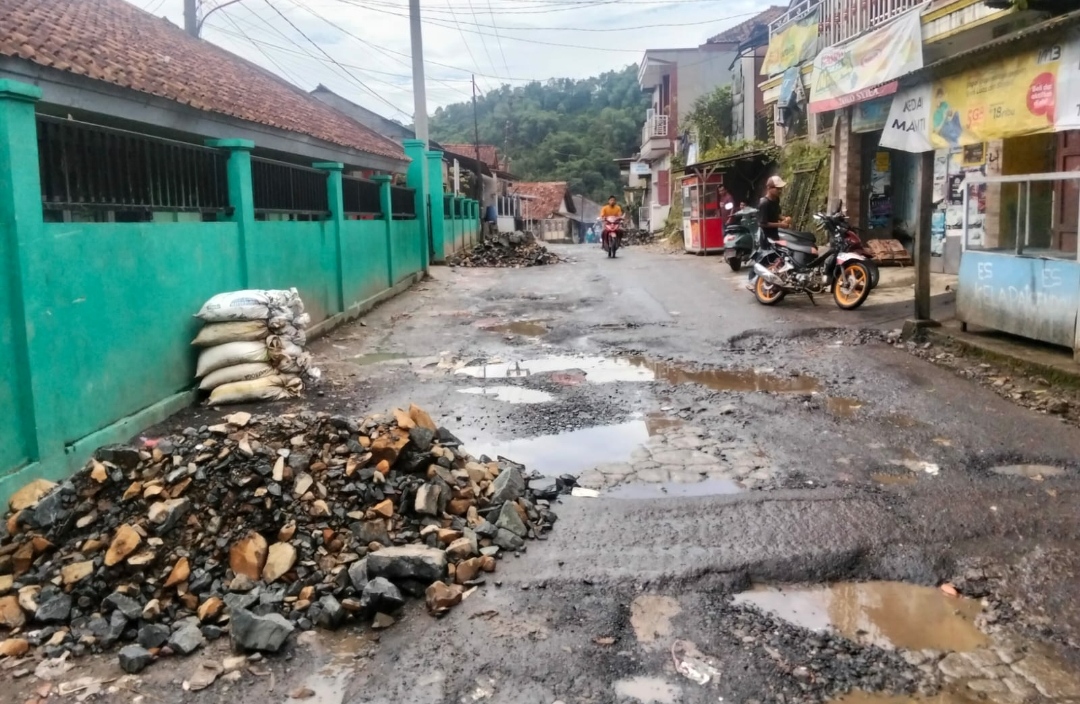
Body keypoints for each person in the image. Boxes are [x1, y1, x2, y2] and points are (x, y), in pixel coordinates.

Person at [747, 175, 792, 290]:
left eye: (780, 189)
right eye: (777, 189)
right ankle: (752, 281)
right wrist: (781, 224)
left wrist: (784, 218)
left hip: (774, 233)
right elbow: (763, 223)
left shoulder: (776, 200)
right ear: (770, 188)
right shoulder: (764, 203)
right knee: (763, 257)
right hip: (764, 234)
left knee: (774, 257)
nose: (780, 191)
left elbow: (775, 214)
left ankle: (769, 280)